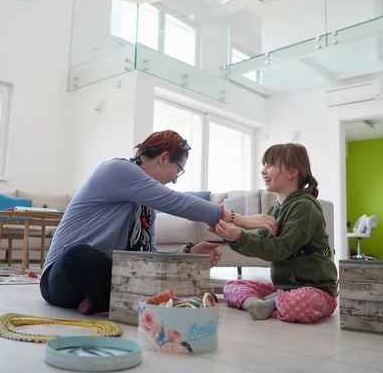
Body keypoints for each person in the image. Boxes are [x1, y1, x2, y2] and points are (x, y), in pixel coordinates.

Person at [40, 130, 233, 315]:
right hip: (62, 281)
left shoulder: (147, 207)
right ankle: (118, 298)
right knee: (77, 255)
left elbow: (148, 257)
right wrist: (232, 217)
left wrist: (187, 254)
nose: (174, 180)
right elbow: (178, 202)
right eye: (178, 171)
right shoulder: (117, 169)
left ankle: (105, 299)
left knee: (144, 273)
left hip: (110, 278)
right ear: (164, 158)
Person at [211, 143, 338, 323]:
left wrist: (239, 235)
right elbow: (260, 245)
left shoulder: (305, 206)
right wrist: (232, 236)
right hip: (282, 288)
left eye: (269, 165)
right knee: (232, 286)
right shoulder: (275, 210)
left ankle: (270, 303)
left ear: (293, 171)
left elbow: (280, 249)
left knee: (296, 304)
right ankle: (265, 303)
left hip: (316, 289)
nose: (263, 171)